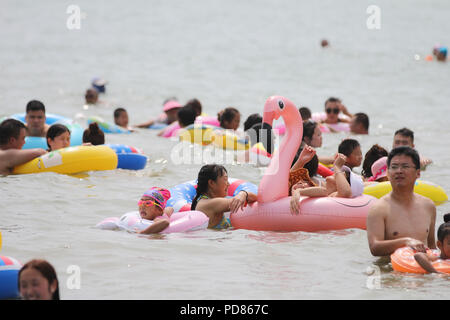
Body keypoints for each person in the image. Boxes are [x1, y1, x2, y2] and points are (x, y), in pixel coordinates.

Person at [366, 146, 437, 257]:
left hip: (422, 270)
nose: (399, 171)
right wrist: (405, 242)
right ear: (388, 174)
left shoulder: (428, 206)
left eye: (405, 166)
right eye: (394, 167)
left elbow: (432, 247)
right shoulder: (378, 209)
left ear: (418, 173)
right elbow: (374, 247)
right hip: (391, 271)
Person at [290, 151, 364, 214]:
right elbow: (288, 179)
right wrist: (300, 161)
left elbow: (344, 192)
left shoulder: (334, 195)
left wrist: (337, 167)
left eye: (340, 175)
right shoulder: (317, 182)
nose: (336, 173)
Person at [191, 164, 257, 229]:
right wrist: (243, 194)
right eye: (225, 179)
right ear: (211, 183)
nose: (229, 184)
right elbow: (256, 198)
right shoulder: (212, 203)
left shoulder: (200, 200)